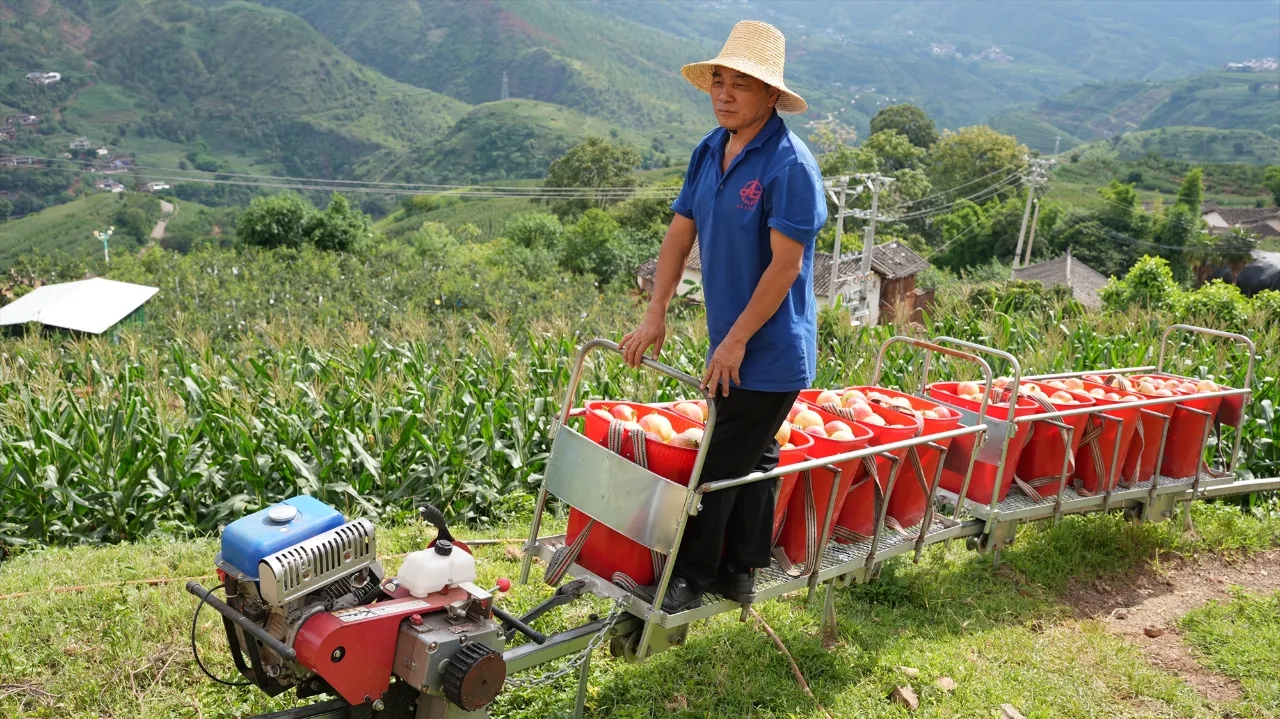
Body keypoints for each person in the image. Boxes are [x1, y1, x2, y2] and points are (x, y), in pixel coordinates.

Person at [619, 20, 826, 612]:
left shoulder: (789, 166)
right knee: (754, 458)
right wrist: (655, 313)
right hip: (732, 342)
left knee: (717, 464)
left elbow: (785, 268)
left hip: (769, 347)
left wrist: (733, 342)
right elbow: (679, 235)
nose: (725, 94)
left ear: (771, 96)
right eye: (719, 81)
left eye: (741, 84)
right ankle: (740, 573)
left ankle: (685, 581)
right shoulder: (710, 151)